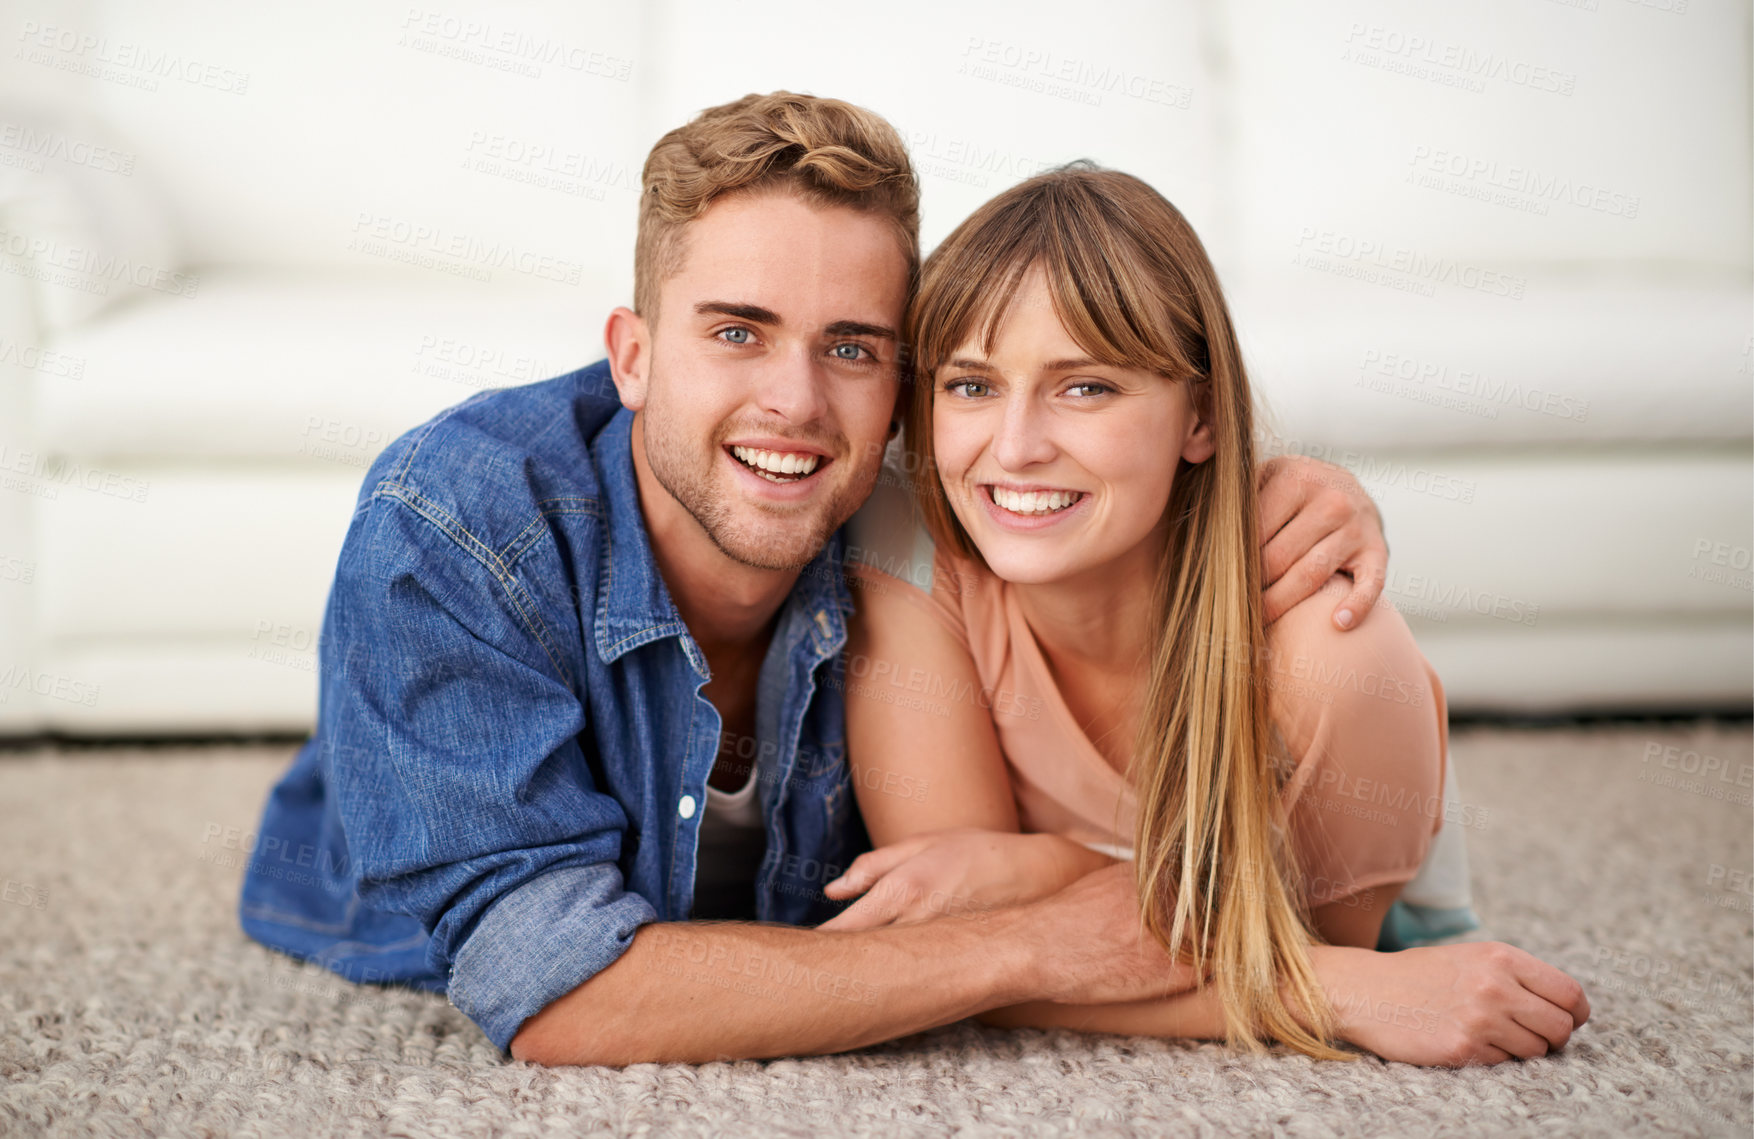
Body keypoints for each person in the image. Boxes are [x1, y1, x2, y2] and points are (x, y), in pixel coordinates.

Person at [239, 93, 1412, 1067]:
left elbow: (1080, 423)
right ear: (633, 355)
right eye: (736, 331)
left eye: (851, 346)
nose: (795, 402)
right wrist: (1040, 945)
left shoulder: (916, 506)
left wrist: (1282, 487)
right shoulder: (452, 526)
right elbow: (558, 992)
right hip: (398, 859)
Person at [827, 163, 1591, 1066]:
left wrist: (1029, 872)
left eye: (1086, 387)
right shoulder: (908, 539)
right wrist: (1333, 994)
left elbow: (1307, 945)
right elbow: (953, 952)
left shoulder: (1331, 650)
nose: (1017, 446)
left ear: (1201, 417)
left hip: (1366, 924)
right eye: (971, 386)